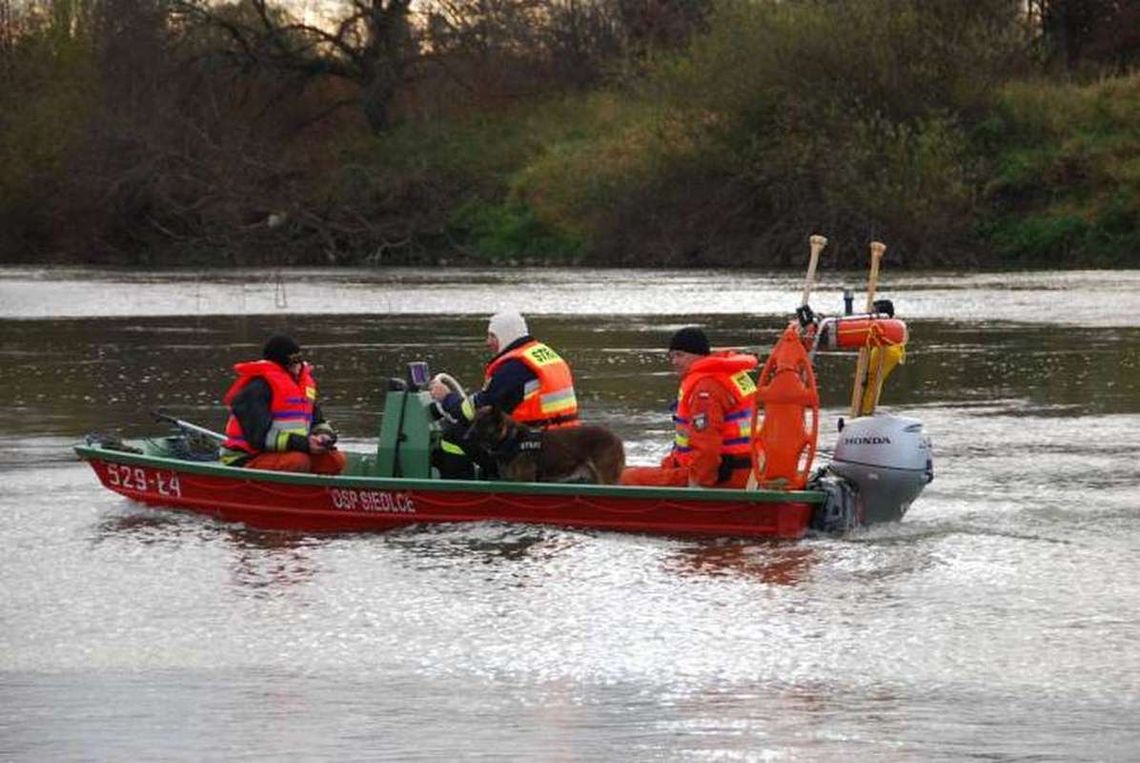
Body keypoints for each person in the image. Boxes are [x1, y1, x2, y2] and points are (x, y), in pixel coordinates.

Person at [429, 310, 579, 478]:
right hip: (562, 443)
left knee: (453, 435)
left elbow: (477, 411)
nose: (488, 342)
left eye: (492, 336)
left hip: (531, 450)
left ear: (506, 336)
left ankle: (461, 494)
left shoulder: (514, 367)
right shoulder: (541, 355)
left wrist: (447, 398)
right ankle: (488, 478)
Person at [620, 327, 758, 489]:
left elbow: (706, 444)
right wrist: (671, 464)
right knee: (638, 472)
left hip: (723, 476)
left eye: (680, 355)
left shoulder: (705, 388)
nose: (674, 362)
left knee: (625, 478)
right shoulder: (729, 376)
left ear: (699, 355)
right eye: (672, 356)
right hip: (747, 470)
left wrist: (699, 483)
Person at [220, 334, 347, 475]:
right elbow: (259, 439)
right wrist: (305, 444)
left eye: (299, 361)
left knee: (335, 461)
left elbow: (317, 421)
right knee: (298, 461)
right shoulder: (257, 388)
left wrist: (325, 436)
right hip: (247, 457)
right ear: (280, 365)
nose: (298, 367)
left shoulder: (302, 386)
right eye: (292, 363)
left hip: (291, 450)